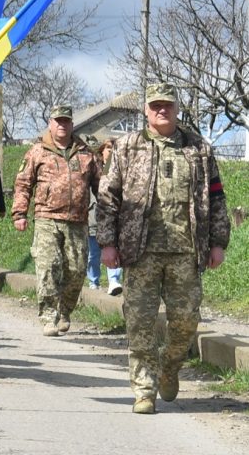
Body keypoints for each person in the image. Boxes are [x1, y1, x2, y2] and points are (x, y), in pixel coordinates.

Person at [97, 84, 230, 414]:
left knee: (186, 322)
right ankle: (144, 390)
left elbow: (216, 198)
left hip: (186, 251)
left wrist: (218, 243)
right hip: (139, 252)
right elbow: (107, 198)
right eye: (155, 105)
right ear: (145, 110)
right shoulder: (128, 147)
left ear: (176, 109)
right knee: (139, 323)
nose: (161, 110)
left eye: (167, 105)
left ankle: (170, 366)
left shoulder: (198, 148)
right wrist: (108, 242)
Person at [12, 104, 100, 336]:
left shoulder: (85, 152)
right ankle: (48, 316)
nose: (62, 125)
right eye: (58, 121)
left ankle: (64, 311)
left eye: (66, 121)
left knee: (77, 269)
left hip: (77, 220)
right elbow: (23, 183)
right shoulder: (37, 151)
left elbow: (102, 186)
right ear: (50, 123)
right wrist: (19, 213)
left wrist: (114, 212)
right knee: (48, 267)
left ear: (72, 124)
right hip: (46, 218)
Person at [88, 139, 124, 295]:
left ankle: (114, 281)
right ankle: (93, 282)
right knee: (93, 254)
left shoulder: (120, 169)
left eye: (113, 148)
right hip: (93, 216)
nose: (110, 151)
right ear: (101, 151)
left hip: (114, 218)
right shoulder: (93, 168)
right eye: (108, 148)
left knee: (114, 249)